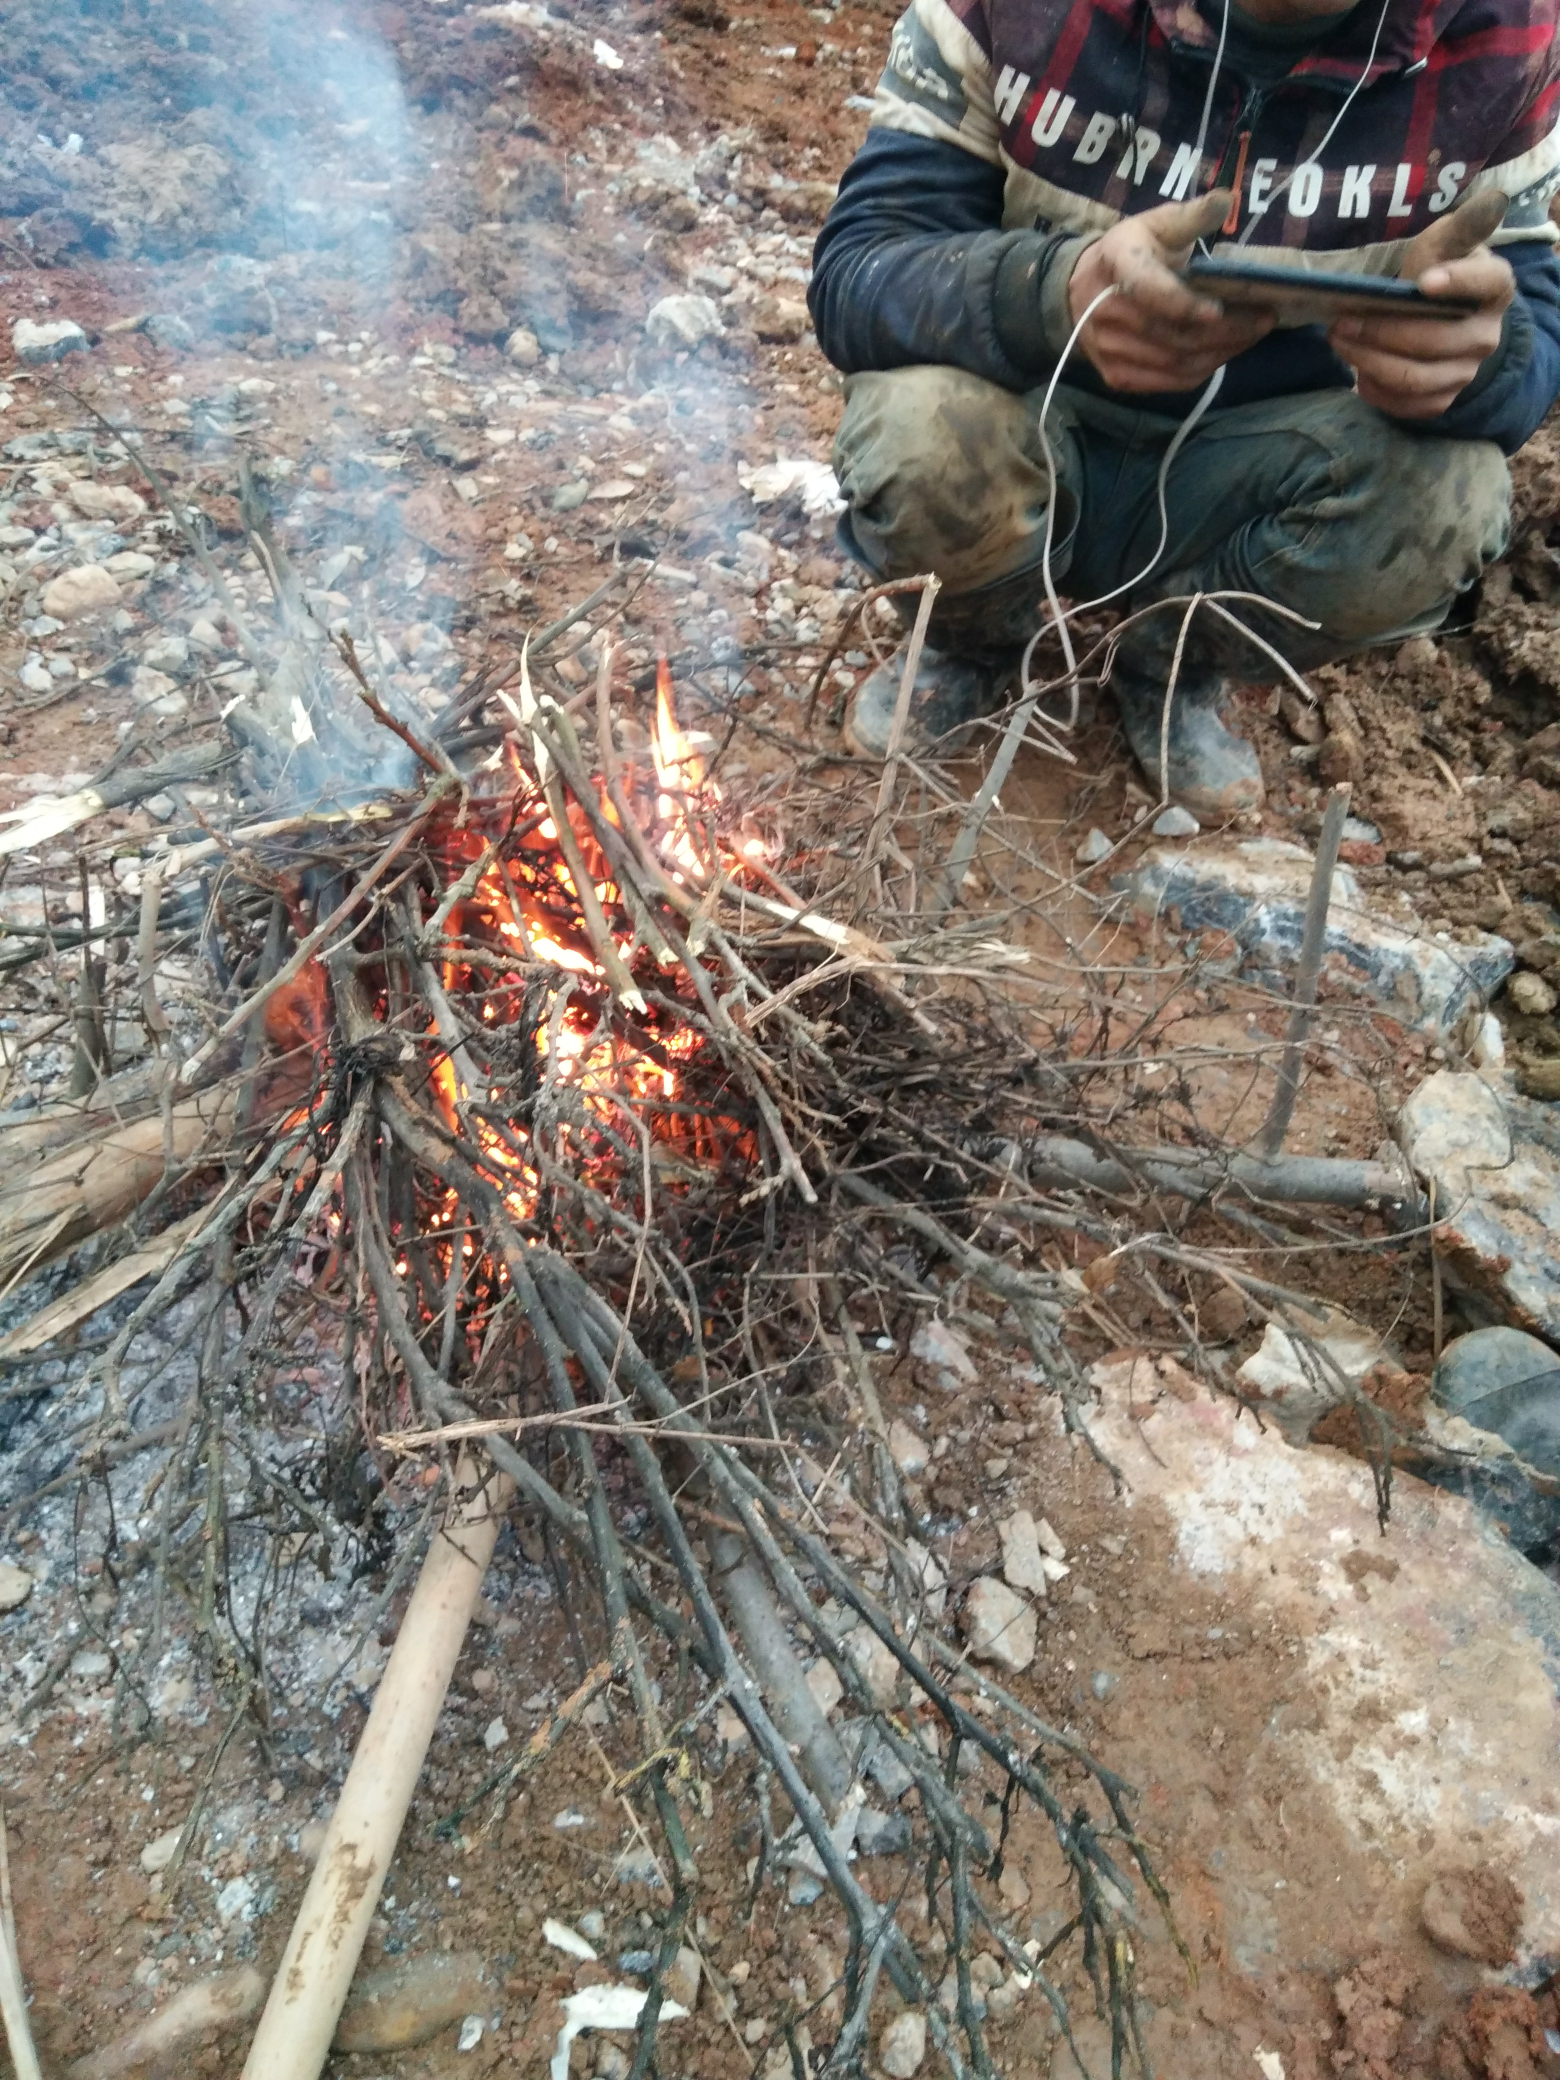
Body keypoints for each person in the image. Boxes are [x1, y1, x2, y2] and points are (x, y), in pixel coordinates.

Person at [808, 0, 1560, 813]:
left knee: (1451, 498)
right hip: (1029, 417)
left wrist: (1472, 359)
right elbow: (862, 267)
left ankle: (1169, 663)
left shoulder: (1504, 36)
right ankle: (979, 640)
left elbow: (1535, 342)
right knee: (922, 433)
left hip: (1251, 472)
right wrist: (1057, 295)